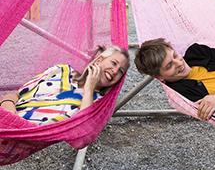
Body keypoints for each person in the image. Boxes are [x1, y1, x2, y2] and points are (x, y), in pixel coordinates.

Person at [0, 45, 129, 125]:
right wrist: (9, 111)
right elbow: (16, 94)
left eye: (121, 71)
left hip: (22, 134)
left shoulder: (97, 103)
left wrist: (90, 87)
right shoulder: (61, 70)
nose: (115, 71)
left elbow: (82, 128)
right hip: (6, 117)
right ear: (100, 59)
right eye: (114, 63)